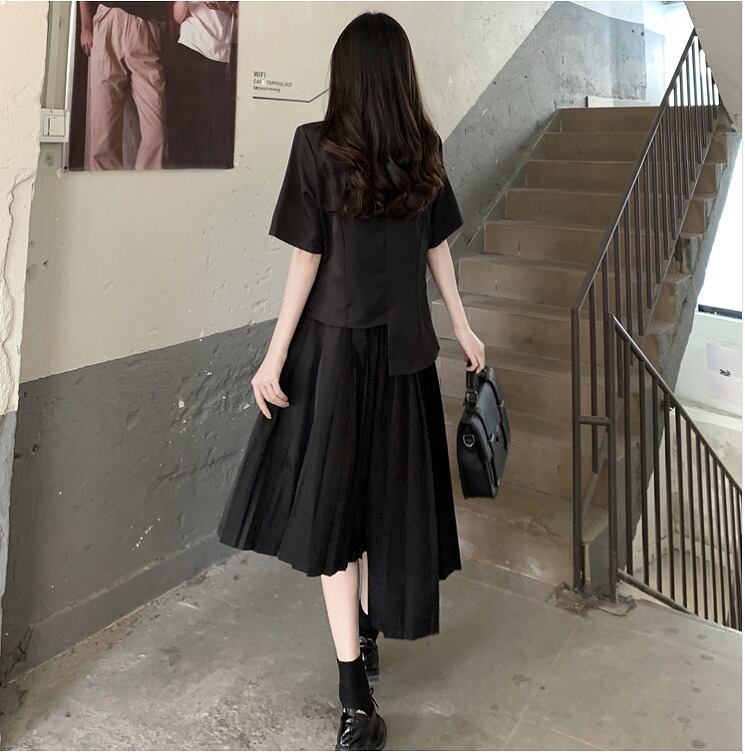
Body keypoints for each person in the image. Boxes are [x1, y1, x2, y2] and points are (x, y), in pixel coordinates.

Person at [218, 12, 485, 751]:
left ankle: (353, 695)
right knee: (382, 508)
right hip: (404, 356)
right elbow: (437, 250)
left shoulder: (317, 144)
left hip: (336, 355)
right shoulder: (422, 148)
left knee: (337, 515)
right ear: (401, 74)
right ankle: (363, 647)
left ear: (346, 74)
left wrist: (275, 355)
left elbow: (306, 259)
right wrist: (460, 326)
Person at [78, 1, 167, 170]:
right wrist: (86, 26)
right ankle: (107, 186)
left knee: (156, 132)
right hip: (109, 21)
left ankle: (148, 186)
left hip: (146, 27)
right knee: (103, 134)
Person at [167, 1, 237, 168]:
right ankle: (182, 168)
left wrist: (226, 6)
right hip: (192, 47)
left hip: (224, 53)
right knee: (188, 116)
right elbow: (177, 17)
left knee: (217, 121)